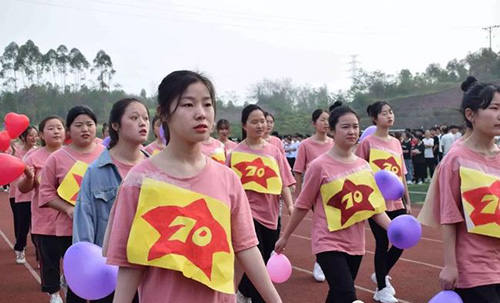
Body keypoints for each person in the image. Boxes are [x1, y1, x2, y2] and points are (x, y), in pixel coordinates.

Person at [105, 71, 282, 303]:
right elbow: (130, 261)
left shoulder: (227, 179)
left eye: (207, 104)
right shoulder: (139, 180)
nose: (201, 113)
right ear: (163, 113)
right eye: (188, 104)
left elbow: (246, 248)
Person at [275, 101, 391, 303]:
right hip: (327, 242)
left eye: (355, 126)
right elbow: (303, 204)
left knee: (337, 295)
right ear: (333, 130)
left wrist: (394, 229)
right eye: (345, 127)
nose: (351, 131)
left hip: (355, 243)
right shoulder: (319, 166)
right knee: (347, 295)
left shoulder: (364, 166)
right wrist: (285, 237)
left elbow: (374, 207)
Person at [437, 76, 500, 303]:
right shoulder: (456, 158)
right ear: (470, 115)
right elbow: (449, 215)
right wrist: (450, 265)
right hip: (474, 268)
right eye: (494, 108)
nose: (499, 114)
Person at [39, 105, 105, 303]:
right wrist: (68, 208)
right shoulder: (57, 158)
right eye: (79, 125)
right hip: (69, 230)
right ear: (69, 130)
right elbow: (46, 193)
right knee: (77, 282)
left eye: (90, 124)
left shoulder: (107, 154)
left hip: (104, 229)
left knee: (103, 280)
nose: (85, 129)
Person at [229, 104, 295, 303]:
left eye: (263, 121)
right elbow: (227, 187)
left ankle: (244, 291)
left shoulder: (274, 152)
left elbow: (283, 181)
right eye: (254, 121)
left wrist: (290, 205)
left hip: (271, 214)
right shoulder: (234, 154)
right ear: (244, 125)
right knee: (255, 259)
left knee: (265, 257)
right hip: (246, 215)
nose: (260, 125)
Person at [355, 101, 411, 303]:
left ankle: (381, 272)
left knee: (402, 240)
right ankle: (381, 287)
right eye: (384, 113)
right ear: (374, 118)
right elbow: (358, 171)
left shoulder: (396, 142)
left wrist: (407, 199)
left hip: (396, 201)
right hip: (376, 202)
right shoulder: (367, 143)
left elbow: (402, 173)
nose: (389, 116)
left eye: (391, 111)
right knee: (382, 242)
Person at [18, 116, 65, 303]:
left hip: (70, 218)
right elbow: (23, 188)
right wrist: (29, 178)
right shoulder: (33, 157)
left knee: (71, 258)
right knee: (49, 259)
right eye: (51, 128)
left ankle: (68, 284)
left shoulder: (71, 154)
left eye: (59, 127)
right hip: (45, 219)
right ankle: (54, 293)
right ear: (42, 135)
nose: (56, 131)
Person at [293, 108, 334, 282]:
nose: (326, 123)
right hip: (314, 193)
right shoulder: (306, 145)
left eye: (328, 120)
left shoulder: (333, 143)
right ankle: (320, 261)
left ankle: (324, 261)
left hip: (333, 192)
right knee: (322, 226)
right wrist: (299, 193)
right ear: (314, 123)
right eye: (322, 120)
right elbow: (298, 171)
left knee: (332, 227)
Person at [10, 125, 38, 264]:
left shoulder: (38, 152)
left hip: (35, 195)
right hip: (19, 194)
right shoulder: (16, 151)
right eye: (31, 135)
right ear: (23, 137)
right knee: (22, 226)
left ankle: (41, 256)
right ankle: (20, 249)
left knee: (37, 228)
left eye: (35, 135)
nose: (34, 138)